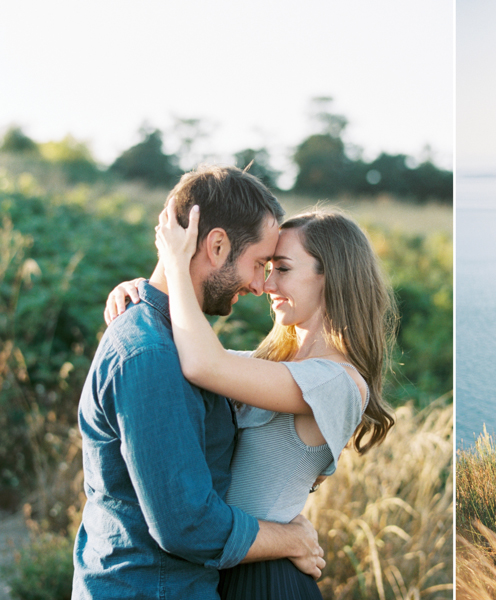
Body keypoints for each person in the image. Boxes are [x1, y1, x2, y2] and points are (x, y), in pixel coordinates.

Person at [106, 201, 397, 599]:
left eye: (283, 268)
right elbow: (193, 353)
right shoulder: (269, 367)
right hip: (222, 566)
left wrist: (175, 267)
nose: (267, 285)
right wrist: (145, 294)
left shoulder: (338, 382)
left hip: (265, 581)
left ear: (332, 276)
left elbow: (204, 365)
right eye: (267, 267)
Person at [74, 166, 325, 600]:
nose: (259, 284)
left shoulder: (178, 343)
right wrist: (290, 538)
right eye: (258, 263)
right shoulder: (150, 355)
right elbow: (187, 525)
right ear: (217, 245)